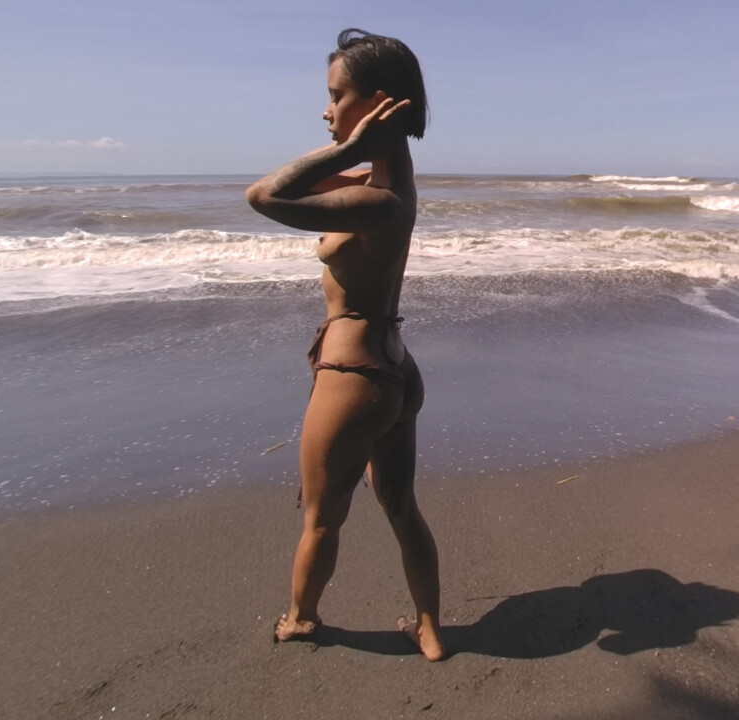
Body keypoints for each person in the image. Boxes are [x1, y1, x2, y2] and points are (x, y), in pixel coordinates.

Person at [246, 28, 444, 661]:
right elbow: (301, 186)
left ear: (378, 102)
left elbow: (264, 195)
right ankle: (430, 631)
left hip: (353, 377)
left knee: (321, 517)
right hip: (394, 371)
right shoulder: (385, 183)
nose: (326, 111)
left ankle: (301, 620)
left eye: (336, 96)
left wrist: (352, 144)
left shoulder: (374, 200)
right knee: (401, 508)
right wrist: (356, 149)